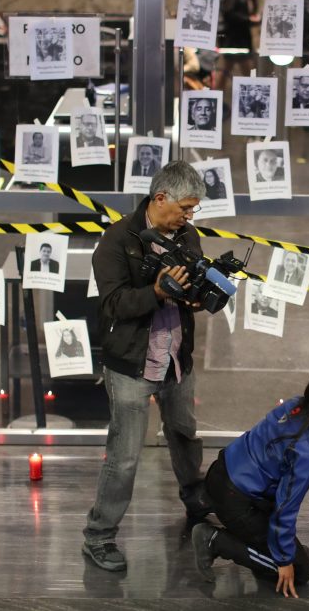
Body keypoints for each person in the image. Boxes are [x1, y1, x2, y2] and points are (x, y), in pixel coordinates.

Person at [83, 161, 210, 572]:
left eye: (193, 209)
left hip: (176, 359)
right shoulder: (117, 240)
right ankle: (99, 536)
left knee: (185, 436)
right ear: (160, 198)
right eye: (185, 208)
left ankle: (195, 502)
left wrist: (198, 297)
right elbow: (112, 304)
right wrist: (155, 291)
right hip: (131, 365)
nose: (189, 216)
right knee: (124, 457)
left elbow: (190, 288)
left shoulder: (187, 236)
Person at [191, 367, 309, 597]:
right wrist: (284, 560)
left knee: (288, 550)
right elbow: (285, 507)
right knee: (301, 570)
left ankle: (261, 546)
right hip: (236, 500)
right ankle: (213, 540)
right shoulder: (308, 453)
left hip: (224, 473)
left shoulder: (295, 406)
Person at [216, 0, 259, 91]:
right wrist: (248, 20)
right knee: (247, 73)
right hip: (235, 40)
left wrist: (250, 20)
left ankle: (216, 97)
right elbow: (229, 14)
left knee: (228, 71)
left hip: (240, 39)